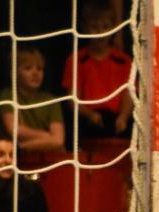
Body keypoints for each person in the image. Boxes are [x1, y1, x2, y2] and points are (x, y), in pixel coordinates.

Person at [62, 0, 133, 141]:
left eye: (105, 27)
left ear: (113, 28)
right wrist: (89, 114)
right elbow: (72, 99)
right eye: (94, 27)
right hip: (87, 119)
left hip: (116, 119)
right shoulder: (76, 59)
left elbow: (129, 93)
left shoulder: (124, 61)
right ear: (84, 28)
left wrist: (123, 117)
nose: (100, 33)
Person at [0, 46, 64, 153]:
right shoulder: (8, 95)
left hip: (45, 158)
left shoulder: (51, 100)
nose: (35, 73)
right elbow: (13, 130)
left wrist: (21, 147)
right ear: (14, 73)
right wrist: (46, 135)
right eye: (28, 68)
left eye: (39, 68)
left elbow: (58, 141)